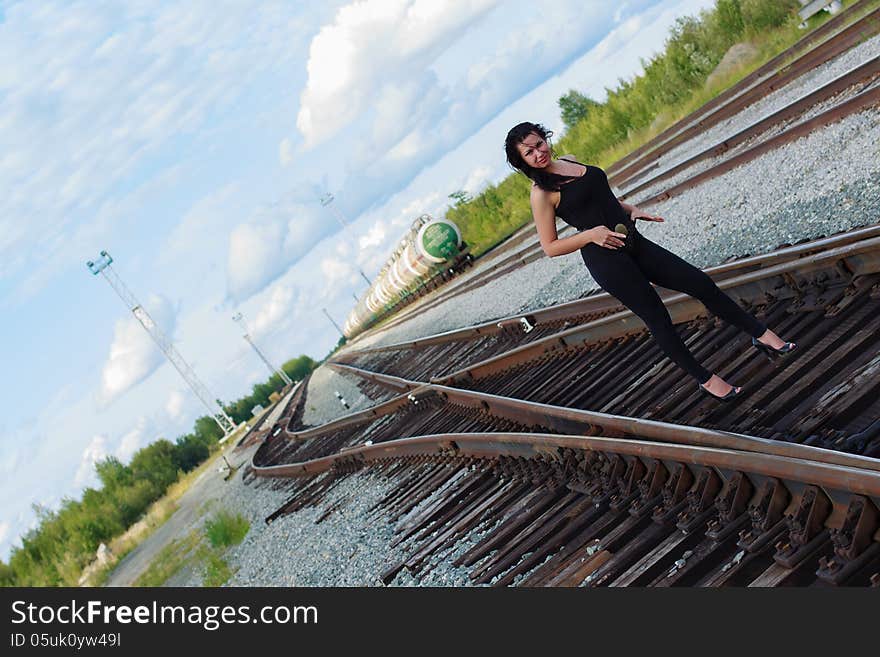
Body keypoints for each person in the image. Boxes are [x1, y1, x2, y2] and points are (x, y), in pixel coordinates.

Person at [504, 122, 796, 401]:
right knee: (659, 319)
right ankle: (707, 381)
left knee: (701, 283)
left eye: (539, 144)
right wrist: (590, 235)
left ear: (545, 139)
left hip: (635, 242)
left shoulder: (569, 160)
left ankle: (762, 335)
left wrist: (630, 209)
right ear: (523, 162)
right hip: (607, 259)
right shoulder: (541, 194)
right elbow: (550, 247)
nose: (538, 153)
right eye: (529, 153)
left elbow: (599, 198)